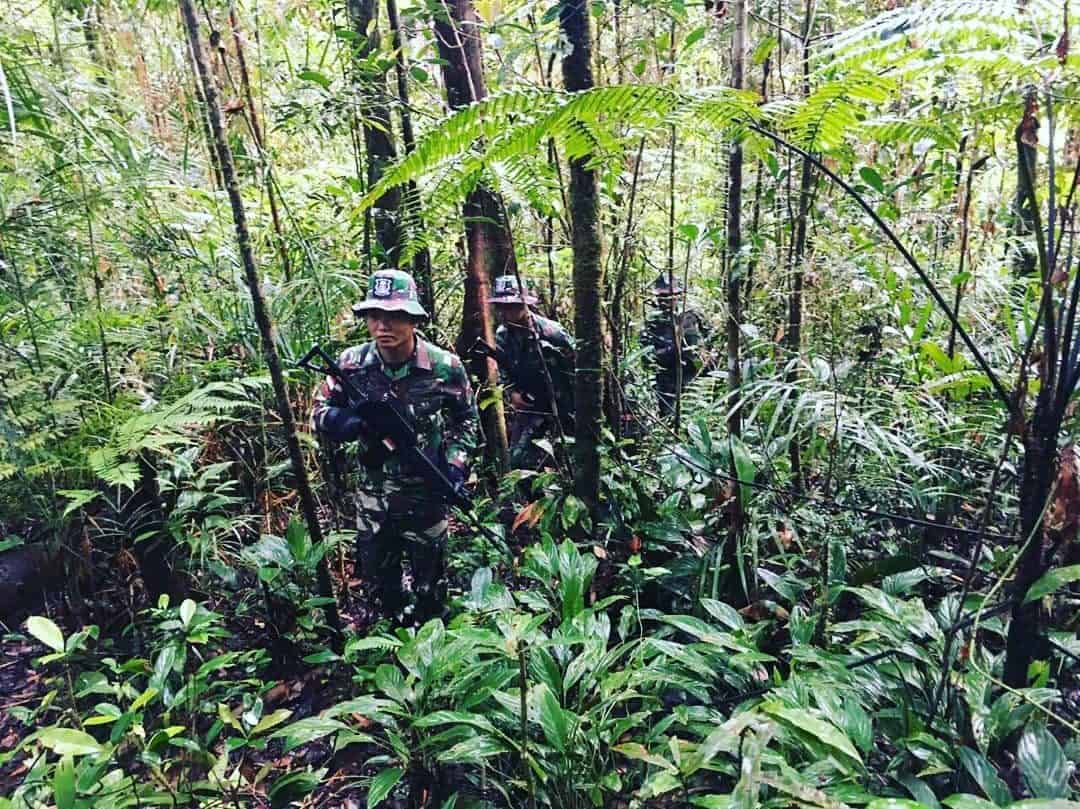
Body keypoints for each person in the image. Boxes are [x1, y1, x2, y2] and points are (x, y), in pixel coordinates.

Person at [312, 269, 478, 624]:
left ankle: (434, 651)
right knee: (378, 586)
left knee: (431, 589)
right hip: (373, 496)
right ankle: (386, 651)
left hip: (425, 493)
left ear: (414, 319)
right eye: (375, 317)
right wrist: (351, 423)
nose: (383, 326)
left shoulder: (444, 367)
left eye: (394, 317)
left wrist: (455, 466)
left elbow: (466, 421)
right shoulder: (350, 364)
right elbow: (319, 412)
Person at [487, 275, 575, 470]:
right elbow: (504, 370)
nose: (508, 311)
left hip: (564, 406)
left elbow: (577, 367)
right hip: (532, 406)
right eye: (503, 306)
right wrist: (513, 394)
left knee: (569, 458)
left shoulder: (552, 332)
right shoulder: (503, 335)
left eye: (514, 306)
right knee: (518, 462)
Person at [642, 273, 713, 415]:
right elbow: (647, 357)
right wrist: (671, 350)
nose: (667, 300)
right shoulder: (652, 322)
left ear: (679, 295)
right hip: (668, 381)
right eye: (662, 296)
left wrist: (708, 354)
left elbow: (710, 336)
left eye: (672, 295)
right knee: (669, 417)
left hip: (696, 377)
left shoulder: (692, 315)